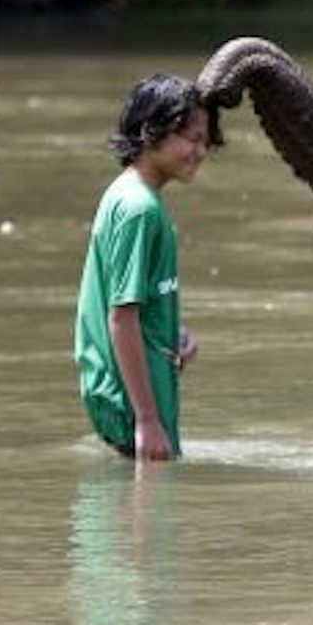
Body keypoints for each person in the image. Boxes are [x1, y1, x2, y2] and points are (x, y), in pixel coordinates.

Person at [73, 73, 221, 462]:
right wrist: (147, 419)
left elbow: (137, 306)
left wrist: (173, 333)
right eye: (191, 138)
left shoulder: (132, 198)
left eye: (205, 141)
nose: (200, 151)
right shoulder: (139, 209)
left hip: (137, 398)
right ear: (150, 131)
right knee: (147, 517)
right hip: (133, 408)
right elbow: (121, 318)